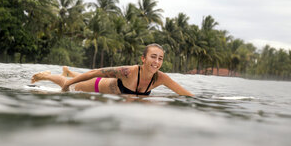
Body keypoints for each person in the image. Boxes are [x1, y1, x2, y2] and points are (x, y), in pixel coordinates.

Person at [31, 43, 194, 97]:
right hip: (96, 85)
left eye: (160, 58)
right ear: (143, 59)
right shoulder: (127, 72)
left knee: (74, 79)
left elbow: (185, 94)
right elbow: (95, 72)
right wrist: (67, 86)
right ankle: (47, 76)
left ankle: (68, 72)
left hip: (106, 95)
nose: (156, 62)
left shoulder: (160, 78)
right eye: (153, 57)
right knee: (67, 83)